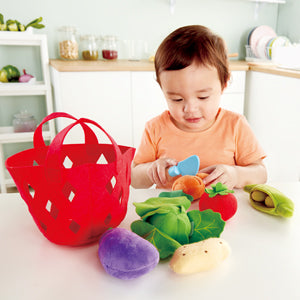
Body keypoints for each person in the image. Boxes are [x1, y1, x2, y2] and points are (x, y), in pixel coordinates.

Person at [131, 25, 267, 190]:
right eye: (177, 99)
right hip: (171, 211)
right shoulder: (155, 128)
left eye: (203, 97)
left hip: (221, 212)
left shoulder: (235, 125)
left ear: (224, 84)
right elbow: (134, 179)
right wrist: (151, 171)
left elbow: (261, 173)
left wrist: (235, 175)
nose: (190, 109)